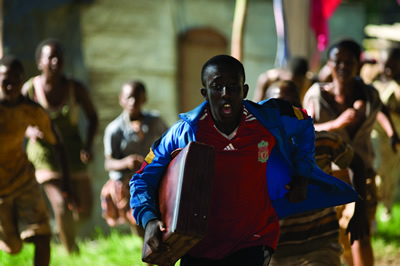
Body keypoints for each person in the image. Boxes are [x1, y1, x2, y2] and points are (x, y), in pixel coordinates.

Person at [130, 54, 358, 265]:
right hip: (197, 244)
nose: (225, 94)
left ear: (245, 90)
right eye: (216, 87)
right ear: (204, 93)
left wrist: (301, 174)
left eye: (233, 87)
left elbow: (305, 123)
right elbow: (141, 179)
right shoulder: (184, 133)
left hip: (254, 239)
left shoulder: (268, 120)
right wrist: (149, 219)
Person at [303, 39, 400, 266]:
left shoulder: (368, 95)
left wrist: (392, 133)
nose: (343, 67)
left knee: (362, 236)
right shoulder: (316, 97)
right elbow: (303, 130)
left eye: (349, 62)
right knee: (336, 242)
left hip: (362, 179)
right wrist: (336, 124)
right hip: (327, 181)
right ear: (329, 63)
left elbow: (381, 109)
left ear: (359, 64)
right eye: (337, 61)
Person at [266, 80, 369, 266]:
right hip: (275, 251)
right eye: (278, 106)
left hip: (320, 247)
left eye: (293, 105)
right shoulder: (259, 152)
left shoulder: (322, 142)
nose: (287, 113)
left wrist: (360, 211)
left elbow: (357, 163)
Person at [21, 38, 99, 253]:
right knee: (62, 205)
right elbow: (17, 119)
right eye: (50, 57)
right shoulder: (30, 89)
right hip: (44, 153)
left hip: (73, 151)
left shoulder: (75, 88)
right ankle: (71, 252)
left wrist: (89, 146)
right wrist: (30, 131)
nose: (56, 61)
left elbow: (93, 117)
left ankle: (63, 229)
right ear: (39, 62)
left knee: (86, 208)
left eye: (60, 58)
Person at [0, 56, 69, 266]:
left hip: (23, 179)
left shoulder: (32, 110)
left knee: (42, 235)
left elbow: (57, 143)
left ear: (23, 80)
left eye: (15, 80)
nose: (11, 85)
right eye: (5, 80)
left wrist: (67, 182)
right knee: (13, 247)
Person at [101, 80, 167, 236]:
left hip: (153, 178)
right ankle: (149, 254)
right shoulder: (115, 129)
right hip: (129, 185)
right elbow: (108, 162)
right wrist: (126, 162)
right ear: (121, 99)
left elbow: (169, 141)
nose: (133, 102)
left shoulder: (154, 121)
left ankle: (153, 253)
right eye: (128, 97)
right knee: (142, 224)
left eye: (137, 98)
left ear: (144, 99)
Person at [370, 47, 400, 222]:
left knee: (389, 175)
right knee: (377, 170)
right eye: (385, 65)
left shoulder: (396, 86)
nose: (389, 70)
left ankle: (386, 209)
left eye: (394, 66)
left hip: (394, 137)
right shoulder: (372, 80)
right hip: (376, 135)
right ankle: (375, 209)